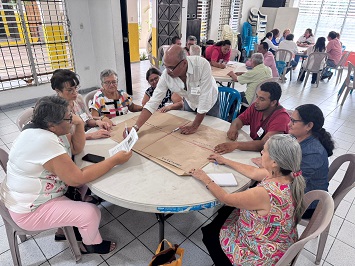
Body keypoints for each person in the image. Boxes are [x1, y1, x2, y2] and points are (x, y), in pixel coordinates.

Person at [0, 96, 132, 254]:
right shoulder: (43, 141)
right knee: (91, 212)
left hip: (35, 194)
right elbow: (77, 179)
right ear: (52, 124)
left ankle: (72, 226)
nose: (72, 117)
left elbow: (76, 148)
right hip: (31, 210)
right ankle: (90, 244)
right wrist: (114, 160)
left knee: (90, 184)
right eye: (68, 117)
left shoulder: (43, 128)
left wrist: (77, 123)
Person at [190, 134, 306, 265]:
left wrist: (205, 178)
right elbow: (254, 172)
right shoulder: (288, 175)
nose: (261, 152)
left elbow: (226, 198)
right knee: (225, 212)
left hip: (261, 252)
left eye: (265, 150)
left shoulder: (265, 192)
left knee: (210, 233)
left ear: (274, 162)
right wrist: (225, 160)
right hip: (279, 240)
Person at [126, 45, 219, 135]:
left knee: (209, 133)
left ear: (184, 63)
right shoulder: (166, 74)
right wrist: (135, 127)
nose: (167, 71)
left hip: (210, 103)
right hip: (190, 103)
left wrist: (194, 126)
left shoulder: (202, 65)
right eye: (165, 66)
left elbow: (205, 98)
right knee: (188, 136)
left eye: (171, 68)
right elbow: (153, 102)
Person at [214, 82, 290, 153]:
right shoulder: (256, 107)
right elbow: (239, 120)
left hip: (269, 156)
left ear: (273, 103)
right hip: (253, 149)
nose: (256, 101)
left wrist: (236, 145)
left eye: (262, 99)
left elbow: (263, 145)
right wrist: (233, 128)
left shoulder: (281, 118)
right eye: (257, 96)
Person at [288, 104, 334, 218]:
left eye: (294, 121)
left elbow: (293, 182)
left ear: (309, 126)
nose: (289, 124)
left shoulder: (314, 152)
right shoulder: (298, 137)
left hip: (307, 204)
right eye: (290, 119)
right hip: (298, 191)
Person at [51, 69, 111, 140]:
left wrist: (98, 122)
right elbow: (66, 138)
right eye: (70, 90)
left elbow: (87, 119)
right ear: (58, 91)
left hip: (86, 135)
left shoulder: (78, 99)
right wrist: (90, 135)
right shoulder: (55, 109)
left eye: (75, 88)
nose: (75, 92)